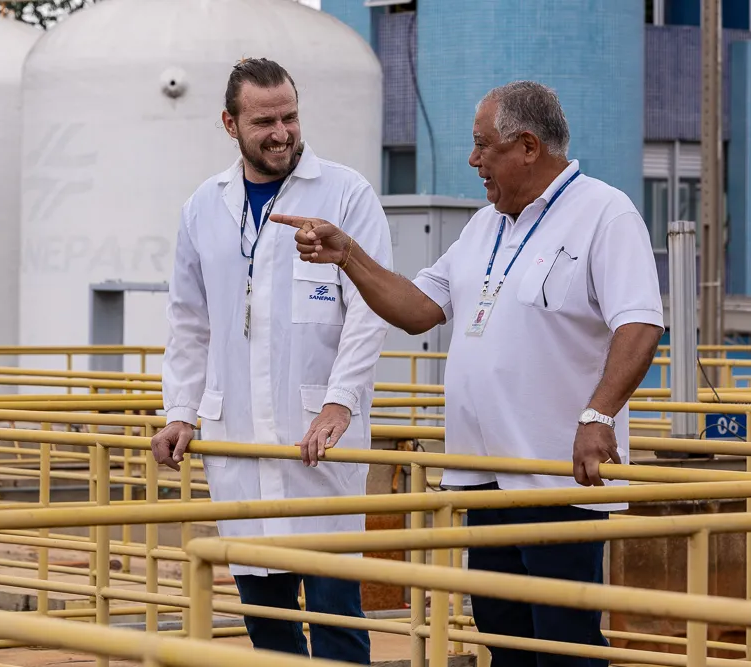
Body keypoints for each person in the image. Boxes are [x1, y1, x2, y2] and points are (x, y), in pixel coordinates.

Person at [272, 81, 664, 667]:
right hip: (483, 478)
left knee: (564, 644)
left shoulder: (604, 213)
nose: (473, 160)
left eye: (483, 146)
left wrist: (598, 413)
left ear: (527, 146)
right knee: (501, 634)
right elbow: (417, 310)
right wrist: (347, 255)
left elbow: (640, 322)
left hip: (556, 479)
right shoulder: (484, 226)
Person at [151, 58, 392, 664]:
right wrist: (180, 410)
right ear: (230, 124)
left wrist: (341, 400)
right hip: (240, 441)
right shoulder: (205, 206)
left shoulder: (344, 193)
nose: (282, 132)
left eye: (290, 116)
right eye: (264, 121)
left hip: (319, 441)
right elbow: (189, 319)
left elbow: (370, 308)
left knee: (337, 617)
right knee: (265, 625)